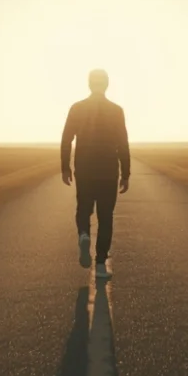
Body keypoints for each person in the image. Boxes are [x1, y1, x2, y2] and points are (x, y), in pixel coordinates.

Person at [60, 68, 131, 279]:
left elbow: (66, 139)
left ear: (89, 84)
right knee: (105, 217)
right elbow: (123, 143)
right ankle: (100, 264)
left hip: (84, 170)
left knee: (83, 208)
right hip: (108, 171)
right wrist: (126, 173)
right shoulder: (116, 110)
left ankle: (83, 234)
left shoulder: (77, 108)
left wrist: (65, 167)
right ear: (106, 85)